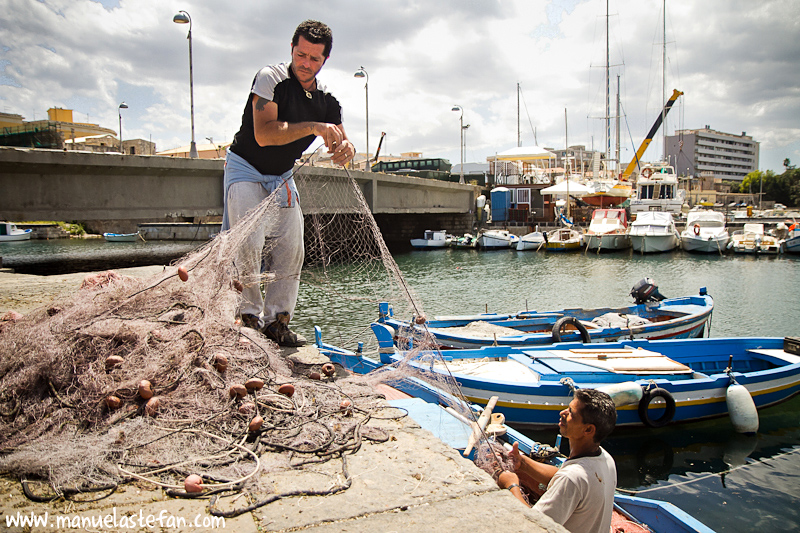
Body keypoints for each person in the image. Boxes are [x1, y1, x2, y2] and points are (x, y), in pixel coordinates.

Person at [222, 20, 355, 347]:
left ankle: (277, 321)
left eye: (314, 58)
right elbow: (264, 135)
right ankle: (248, 318)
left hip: (282, 175)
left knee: (291, 247)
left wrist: (346, 150)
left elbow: (341, 140)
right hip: (245, 168)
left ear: (324, 61)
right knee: (249, 243)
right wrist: (313, 126)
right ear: (292, 49)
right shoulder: (270, 79)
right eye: (301, 54)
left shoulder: (327, 100)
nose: (305, 63)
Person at [497, 388, 617, 533]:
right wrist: (522, 463)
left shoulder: (572, 479)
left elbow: (534, 526)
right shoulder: (605, 458)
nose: (562, 413)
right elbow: (563, 476)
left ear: (588, 430)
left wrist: (511, 486)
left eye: (571, 412)